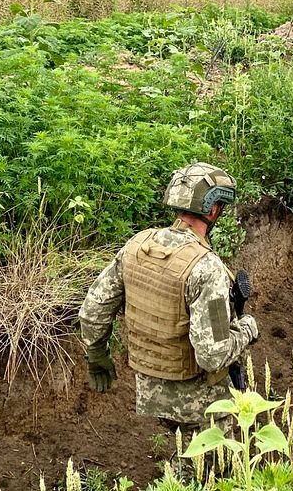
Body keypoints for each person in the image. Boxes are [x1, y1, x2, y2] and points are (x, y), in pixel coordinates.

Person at [79, 162, 259, 478]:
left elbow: (93, 310)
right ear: (214, 208)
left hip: (151, 388)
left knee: (185, 452)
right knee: (211, 471)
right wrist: (246, 330)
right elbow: (212, 353)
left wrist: (97, 357)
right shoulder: (207, 269)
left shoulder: (137, 246)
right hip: (197, 396)